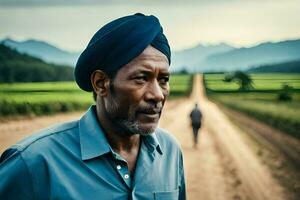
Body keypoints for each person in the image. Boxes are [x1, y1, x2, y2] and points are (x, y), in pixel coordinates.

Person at [0, 13, 186, 199]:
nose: (158, 94)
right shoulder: (32, 163)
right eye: (141, 78)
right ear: (100, 83)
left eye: (164, 80)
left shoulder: (170, 152)